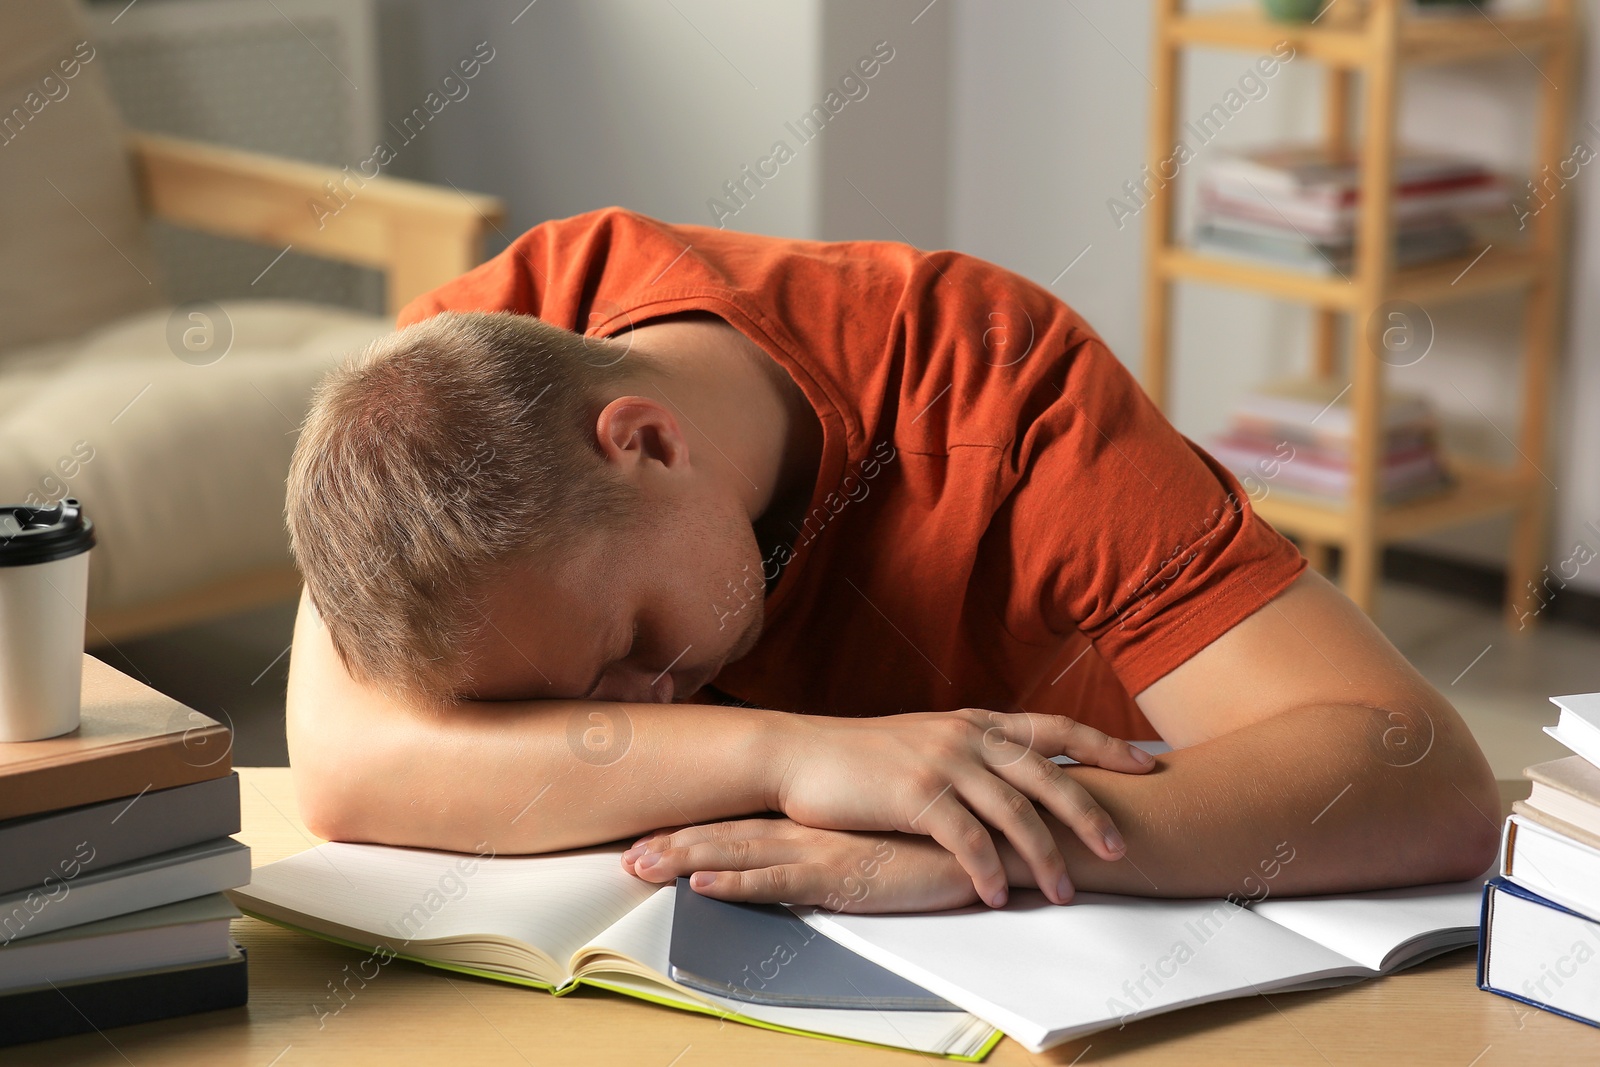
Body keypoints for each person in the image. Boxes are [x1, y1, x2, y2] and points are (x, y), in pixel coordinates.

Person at [283, 206, 1499, 915]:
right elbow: (343, 767)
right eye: (552, 707)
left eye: (636, 650)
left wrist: (967, 838)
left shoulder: (996, 387)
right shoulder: (445, 405)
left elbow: (1422, 774)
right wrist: (797, 755)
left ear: (645, 441)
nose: (626, 719)